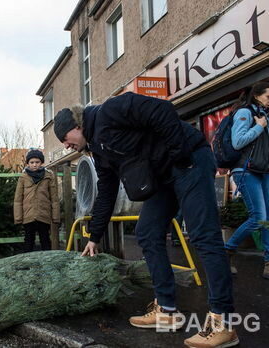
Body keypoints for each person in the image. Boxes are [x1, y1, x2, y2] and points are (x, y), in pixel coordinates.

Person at [53, 92, 237, 348]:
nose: (66, 145)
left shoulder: (112, 110)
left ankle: (223, 323)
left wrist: (179, 155)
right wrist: (94, 236)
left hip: (189, 160)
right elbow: (106, 191)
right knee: (147, 231)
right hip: (164, 177)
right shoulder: (98, 149)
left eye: (65, 139)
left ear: (76, 126)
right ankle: (167, 310)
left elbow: (162, 110)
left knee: (203, 236)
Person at [224, 82, 269, 279]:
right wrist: (259, 127)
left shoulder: (265, 114)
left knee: (267, 220)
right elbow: (238, 141)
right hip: (246, 169)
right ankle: (227, 249)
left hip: (264, 170)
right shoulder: (245, 113)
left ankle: (268, 261)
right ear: (258, 95)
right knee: (259, 217)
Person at [13, 149, 60, 252]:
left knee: (45, 239)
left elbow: (54, 198)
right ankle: (26, 264)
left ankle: (47, 263)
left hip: (44, 214)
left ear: (41, 162)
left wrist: (55, 216)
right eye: (32, 162)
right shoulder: (23, 177)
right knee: (29, 240)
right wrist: (18, 217)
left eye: (37, 162)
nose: (34, 165)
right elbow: (18, 199)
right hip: (28, 215)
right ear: (28, 163)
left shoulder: (48, 176)